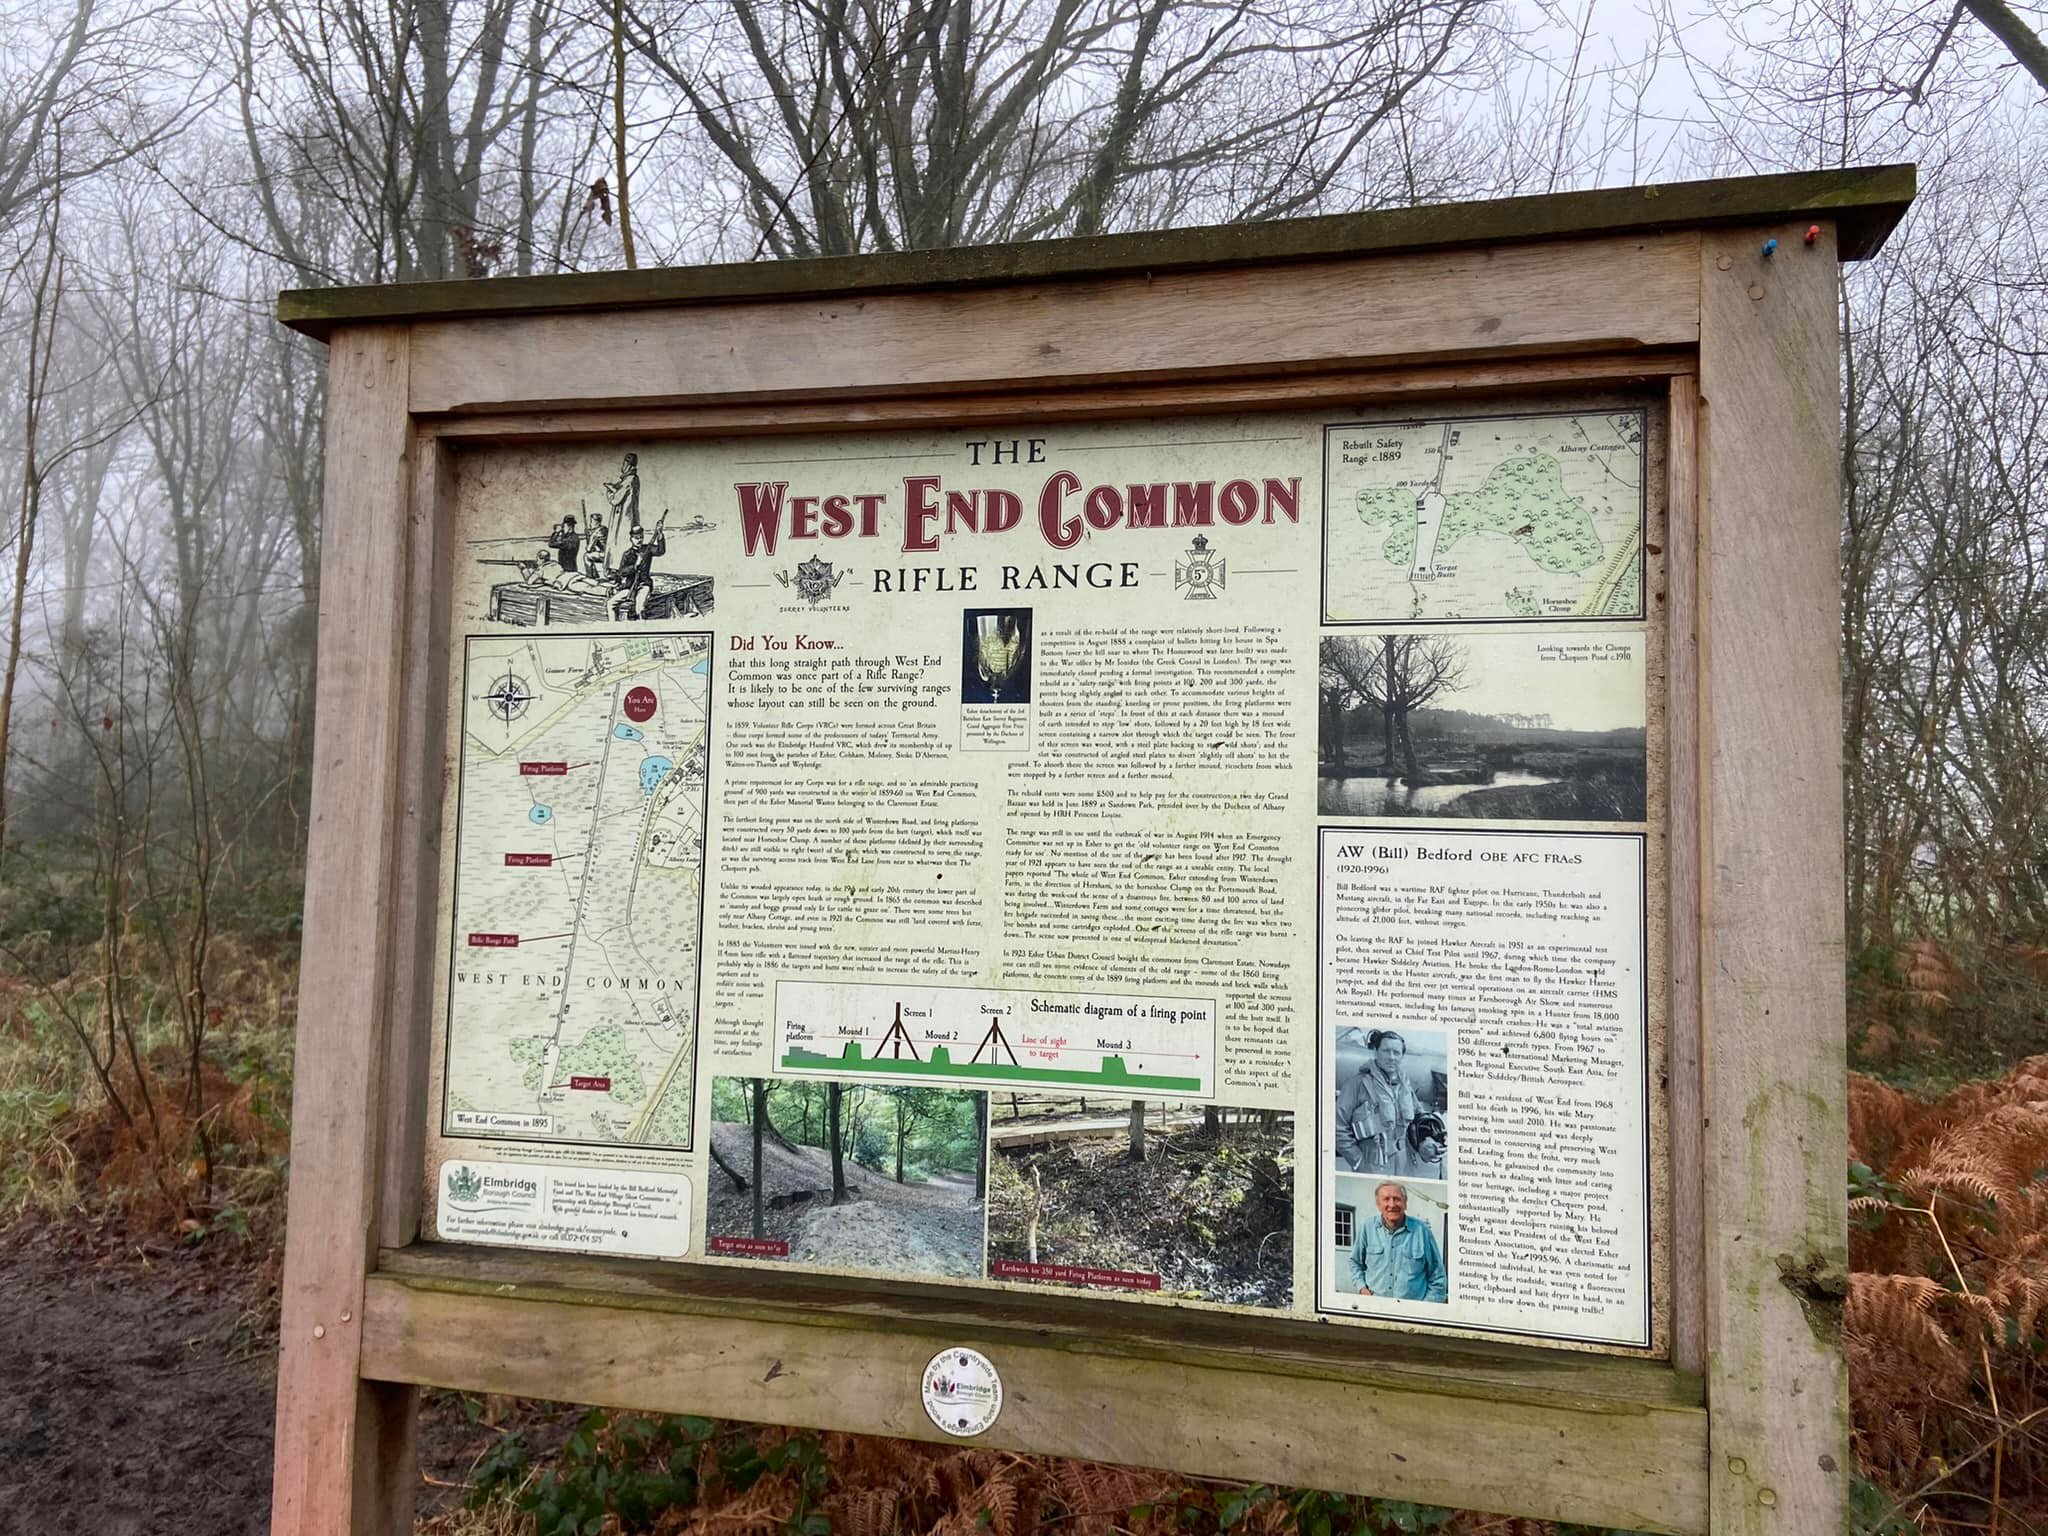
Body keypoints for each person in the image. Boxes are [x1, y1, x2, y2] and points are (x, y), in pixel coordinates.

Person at [1348, 1180, 1447, 1302]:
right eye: (1386, 1199)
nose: (1392, 1204)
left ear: (1405, 1203)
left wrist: (1424, 1308)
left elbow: (1438, 1278)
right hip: (1375, 1306)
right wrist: (1362, 1289)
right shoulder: (1367, 1228)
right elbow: (1355, 1263)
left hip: (1411, 1310)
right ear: (1378, 1205)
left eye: (1397, 1199)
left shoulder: (1422, 1231)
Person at [1334, 1028, 1417, 1173]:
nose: (1391, 1057)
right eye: (1386, 1051)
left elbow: (1418, 1114)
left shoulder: (1404, 1085)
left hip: (1402, 1164)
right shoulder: (1357, 1083)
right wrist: (1357, 1160)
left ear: (1402, 1056)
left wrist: (1425, 1140)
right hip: (1371, 1164)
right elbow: (1338, 1126)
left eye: (1396, 1052)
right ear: (1376, 1052)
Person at [609, 513, 668, 620]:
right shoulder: (627, 554)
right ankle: (612, 626)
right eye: (636, 538)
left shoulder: (648, 549)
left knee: (640, 607)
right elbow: (622, 572)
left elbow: (661, 551)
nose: (639, 540)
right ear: (631, 539)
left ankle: (641, 626)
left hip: (644, 585)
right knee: (610, 604)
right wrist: (635, 566)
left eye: (641, 537)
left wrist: (659, 534)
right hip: (630, 587)